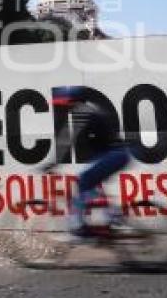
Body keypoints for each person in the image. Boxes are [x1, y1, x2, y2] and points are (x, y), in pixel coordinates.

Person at [45, 86, 131, 238]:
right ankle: (112, 220)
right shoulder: (88, 111)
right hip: (113, 154)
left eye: (65, 103)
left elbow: (67, 139)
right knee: (91, 187)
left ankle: (79, 228)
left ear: (73, 101)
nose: (63, 106)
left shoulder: (82, 111)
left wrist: (53, 163)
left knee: (82, 182)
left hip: (114, 155)